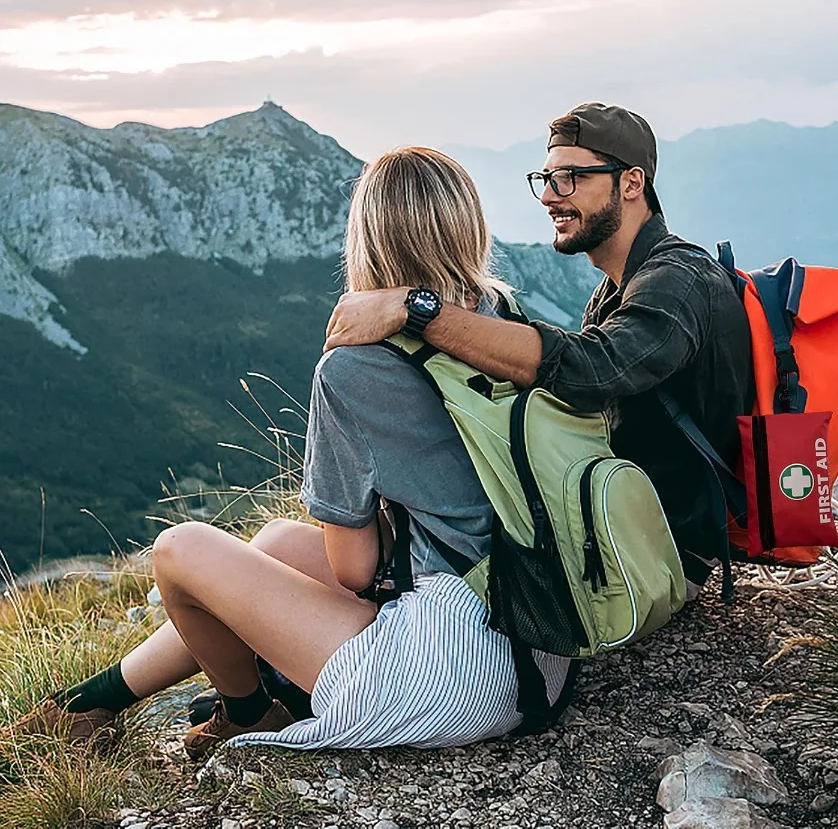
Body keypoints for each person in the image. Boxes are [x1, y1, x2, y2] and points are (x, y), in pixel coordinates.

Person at [4, 147, 571, 758]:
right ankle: (90, 704)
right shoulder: (499, 319)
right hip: (538, 635)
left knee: (178, 551)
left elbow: (354, 571)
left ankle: (245, 711)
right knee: (274, 542)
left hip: (454, 672)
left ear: (369, 238)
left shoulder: (353, 369)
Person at [325, 103, 755, 596]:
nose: (550, 196)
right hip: (623, 534)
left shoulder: (678, 280)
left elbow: (595, 372)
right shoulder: (618, 290)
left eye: (570, 177)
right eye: (546, 178)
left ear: (632, 184)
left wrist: (416, 309)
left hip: (658, 554)